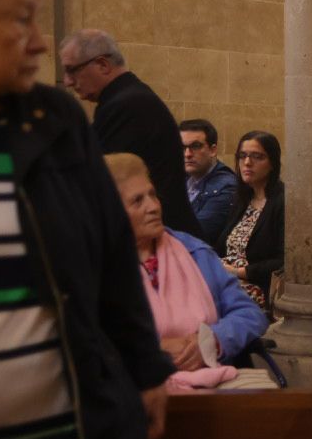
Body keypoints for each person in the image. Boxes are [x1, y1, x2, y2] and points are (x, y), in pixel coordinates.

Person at [0, 0, 170, 439]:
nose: (37, 41)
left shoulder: (57, 123)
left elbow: (113, 258)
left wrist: (146, 371)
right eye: (21, 19)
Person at [105, 153, 270, 392]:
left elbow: (249, 314)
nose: (152, 207)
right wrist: (151, 349)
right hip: (130, 391)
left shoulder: (194, 252)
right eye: (137, 201)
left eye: (152, 195)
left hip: (208, 385)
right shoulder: (96, 266)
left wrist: (213, 340)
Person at [59, 28, 201, 237]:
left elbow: (102, 182)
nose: (68, 81)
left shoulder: (127, 105)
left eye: (72, 70)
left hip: (163, 242)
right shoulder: (125, 99)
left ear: (102, 65)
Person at [214, 130, 285, 313]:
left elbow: (283, 261)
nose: (247, 163)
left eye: (257, 157)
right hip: (226, 279)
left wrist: (238, 272)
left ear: (272, 163)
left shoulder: (282, 202)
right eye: (243, 156)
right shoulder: (243, 199)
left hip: (255, 287)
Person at [180, 117, 241, 245]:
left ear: (212, 150)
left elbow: (197, 235)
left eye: (195, 146)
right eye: (182, 147)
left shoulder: (226, 186)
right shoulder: (182, 178)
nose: (187, 154)